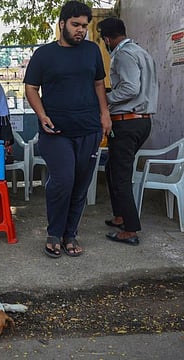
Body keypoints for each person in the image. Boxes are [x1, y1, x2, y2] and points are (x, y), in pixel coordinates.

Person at [24, 0, 111, 258]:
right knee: (63, 180)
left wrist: (105, 114)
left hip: (89, 129)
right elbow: (30, 88)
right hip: (56, 132)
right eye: (76, 25)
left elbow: (98, 84)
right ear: (62, 24)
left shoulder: (92, 51)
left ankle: (70, 234)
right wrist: (42, 116)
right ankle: (54, 233)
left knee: (81, 185)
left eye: (84, 26)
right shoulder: (44, 55)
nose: (81, 30)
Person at [97, 17, 158, 246]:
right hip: (141, 120)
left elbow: (131, 88)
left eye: (104, 39)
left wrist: (104, 100)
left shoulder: (122, 55)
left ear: (107, 39)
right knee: (112, 168)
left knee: (120, 175)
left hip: (127, 121)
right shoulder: (142, 52)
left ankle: (130, 229)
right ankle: (120, 215)